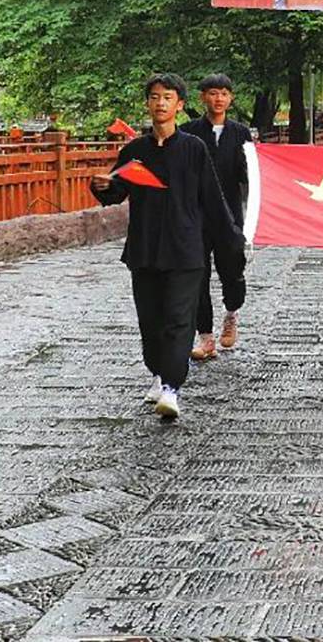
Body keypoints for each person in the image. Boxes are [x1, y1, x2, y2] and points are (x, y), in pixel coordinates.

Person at [92, 74, 240, 420]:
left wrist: (231, 238)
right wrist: (101, 186)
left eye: (168, 97)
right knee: (151, 321)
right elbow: (116, 192)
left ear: (180, 105)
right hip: (144, 249)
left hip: (185, 250)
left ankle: (172, 387)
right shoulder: (134, 152)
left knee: (178, 319)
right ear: (148, 103)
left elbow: (212, 199)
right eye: (155, 97)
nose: (161, 103)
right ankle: (158, 373)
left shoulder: (193, 149)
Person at [180, 74, 251, 360]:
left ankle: (231, 312)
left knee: (232, 270)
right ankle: (206, 337)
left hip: (230, 215)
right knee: (197, 275)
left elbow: (250, 174)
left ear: (230, 98)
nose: (218, 98)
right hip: (196, 215)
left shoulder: (241, 133)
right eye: (212, 93)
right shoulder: (188, 132)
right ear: (202, 97)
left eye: (223, 93)